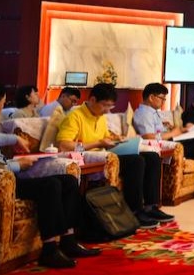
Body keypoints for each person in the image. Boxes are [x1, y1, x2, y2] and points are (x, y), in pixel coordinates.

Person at [0, 79, 100, 268]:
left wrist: (15, 138)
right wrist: (18, 165)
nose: (1, 108)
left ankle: (68, 240)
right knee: (50, 186)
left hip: (5, 176)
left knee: (68, 181)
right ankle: (50, 249)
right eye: (2, 104)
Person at [56, 83, 172, 229]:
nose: (107, 110)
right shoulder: (75, 116)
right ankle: (134, 211)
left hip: (105, 154)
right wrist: (98, 142)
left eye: (110, 106)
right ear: (92, 100)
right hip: (90, 158)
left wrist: (116, 138)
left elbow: (105, 137)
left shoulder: (100, 116)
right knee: (136, 161)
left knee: (151, 157)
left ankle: (151, 206)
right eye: (105, 105)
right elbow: (63, 145)